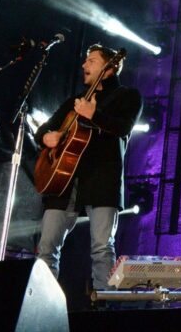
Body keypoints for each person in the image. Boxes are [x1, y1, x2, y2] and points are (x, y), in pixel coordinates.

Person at [34, 44, 142, 293]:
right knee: (47, 248)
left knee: (102, 248)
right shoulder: (75, 101)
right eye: (85, 60)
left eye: (91, 61)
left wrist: (94, 115)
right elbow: (45, 128)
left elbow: (123, 128)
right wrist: (47, 137)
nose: (84, 65)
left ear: (110, 67)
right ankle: (41, 303)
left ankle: (104, 304)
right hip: (64, 182)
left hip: (102, 180)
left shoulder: (128, 96)